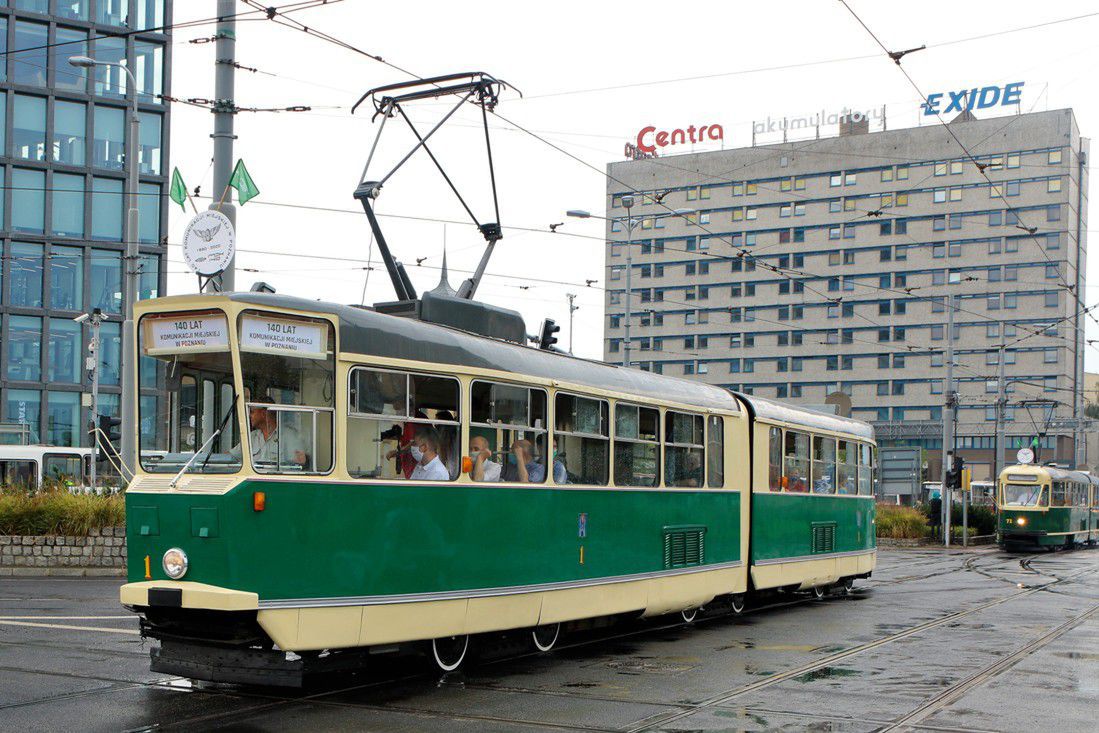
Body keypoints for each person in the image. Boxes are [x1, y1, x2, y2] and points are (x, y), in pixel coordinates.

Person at [233, 397, 307, 469]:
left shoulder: (289, 436)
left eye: (252, 412)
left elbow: (297, 466)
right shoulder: (251, 437)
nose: (250, 416)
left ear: (263, 413)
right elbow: (232, 456)